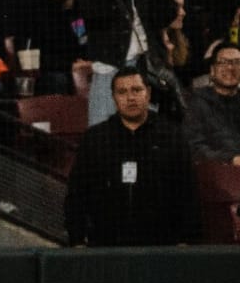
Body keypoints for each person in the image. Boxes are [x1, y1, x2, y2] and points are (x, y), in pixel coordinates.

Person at [64, 67, 198, 247]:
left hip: (162, 244)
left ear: (148, 93)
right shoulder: (95, 138)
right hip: (106, 244)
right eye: (122, 92)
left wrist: (187, 239)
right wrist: (77, 238)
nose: (130, 97)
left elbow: (187, 191)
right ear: (113, 97)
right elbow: (77, 193)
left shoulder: (171, 136)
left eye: (136, 90)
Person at [16, 0, 90, 96]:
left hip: (92, 69)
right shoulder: (32, 15)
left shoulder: (90, 6)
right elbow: (34, 61)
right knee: (55, 80)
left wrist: (92, 63)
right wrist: (71, 67)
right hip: (55, 77)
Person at [184, 42, 240, 163]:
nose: (230, 68)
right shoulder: (196, 102)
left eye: (237, 62)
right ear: (212, 70)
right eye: (223, 62)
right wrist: (231, 159)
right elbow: (194, 147)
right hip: (216, 173)